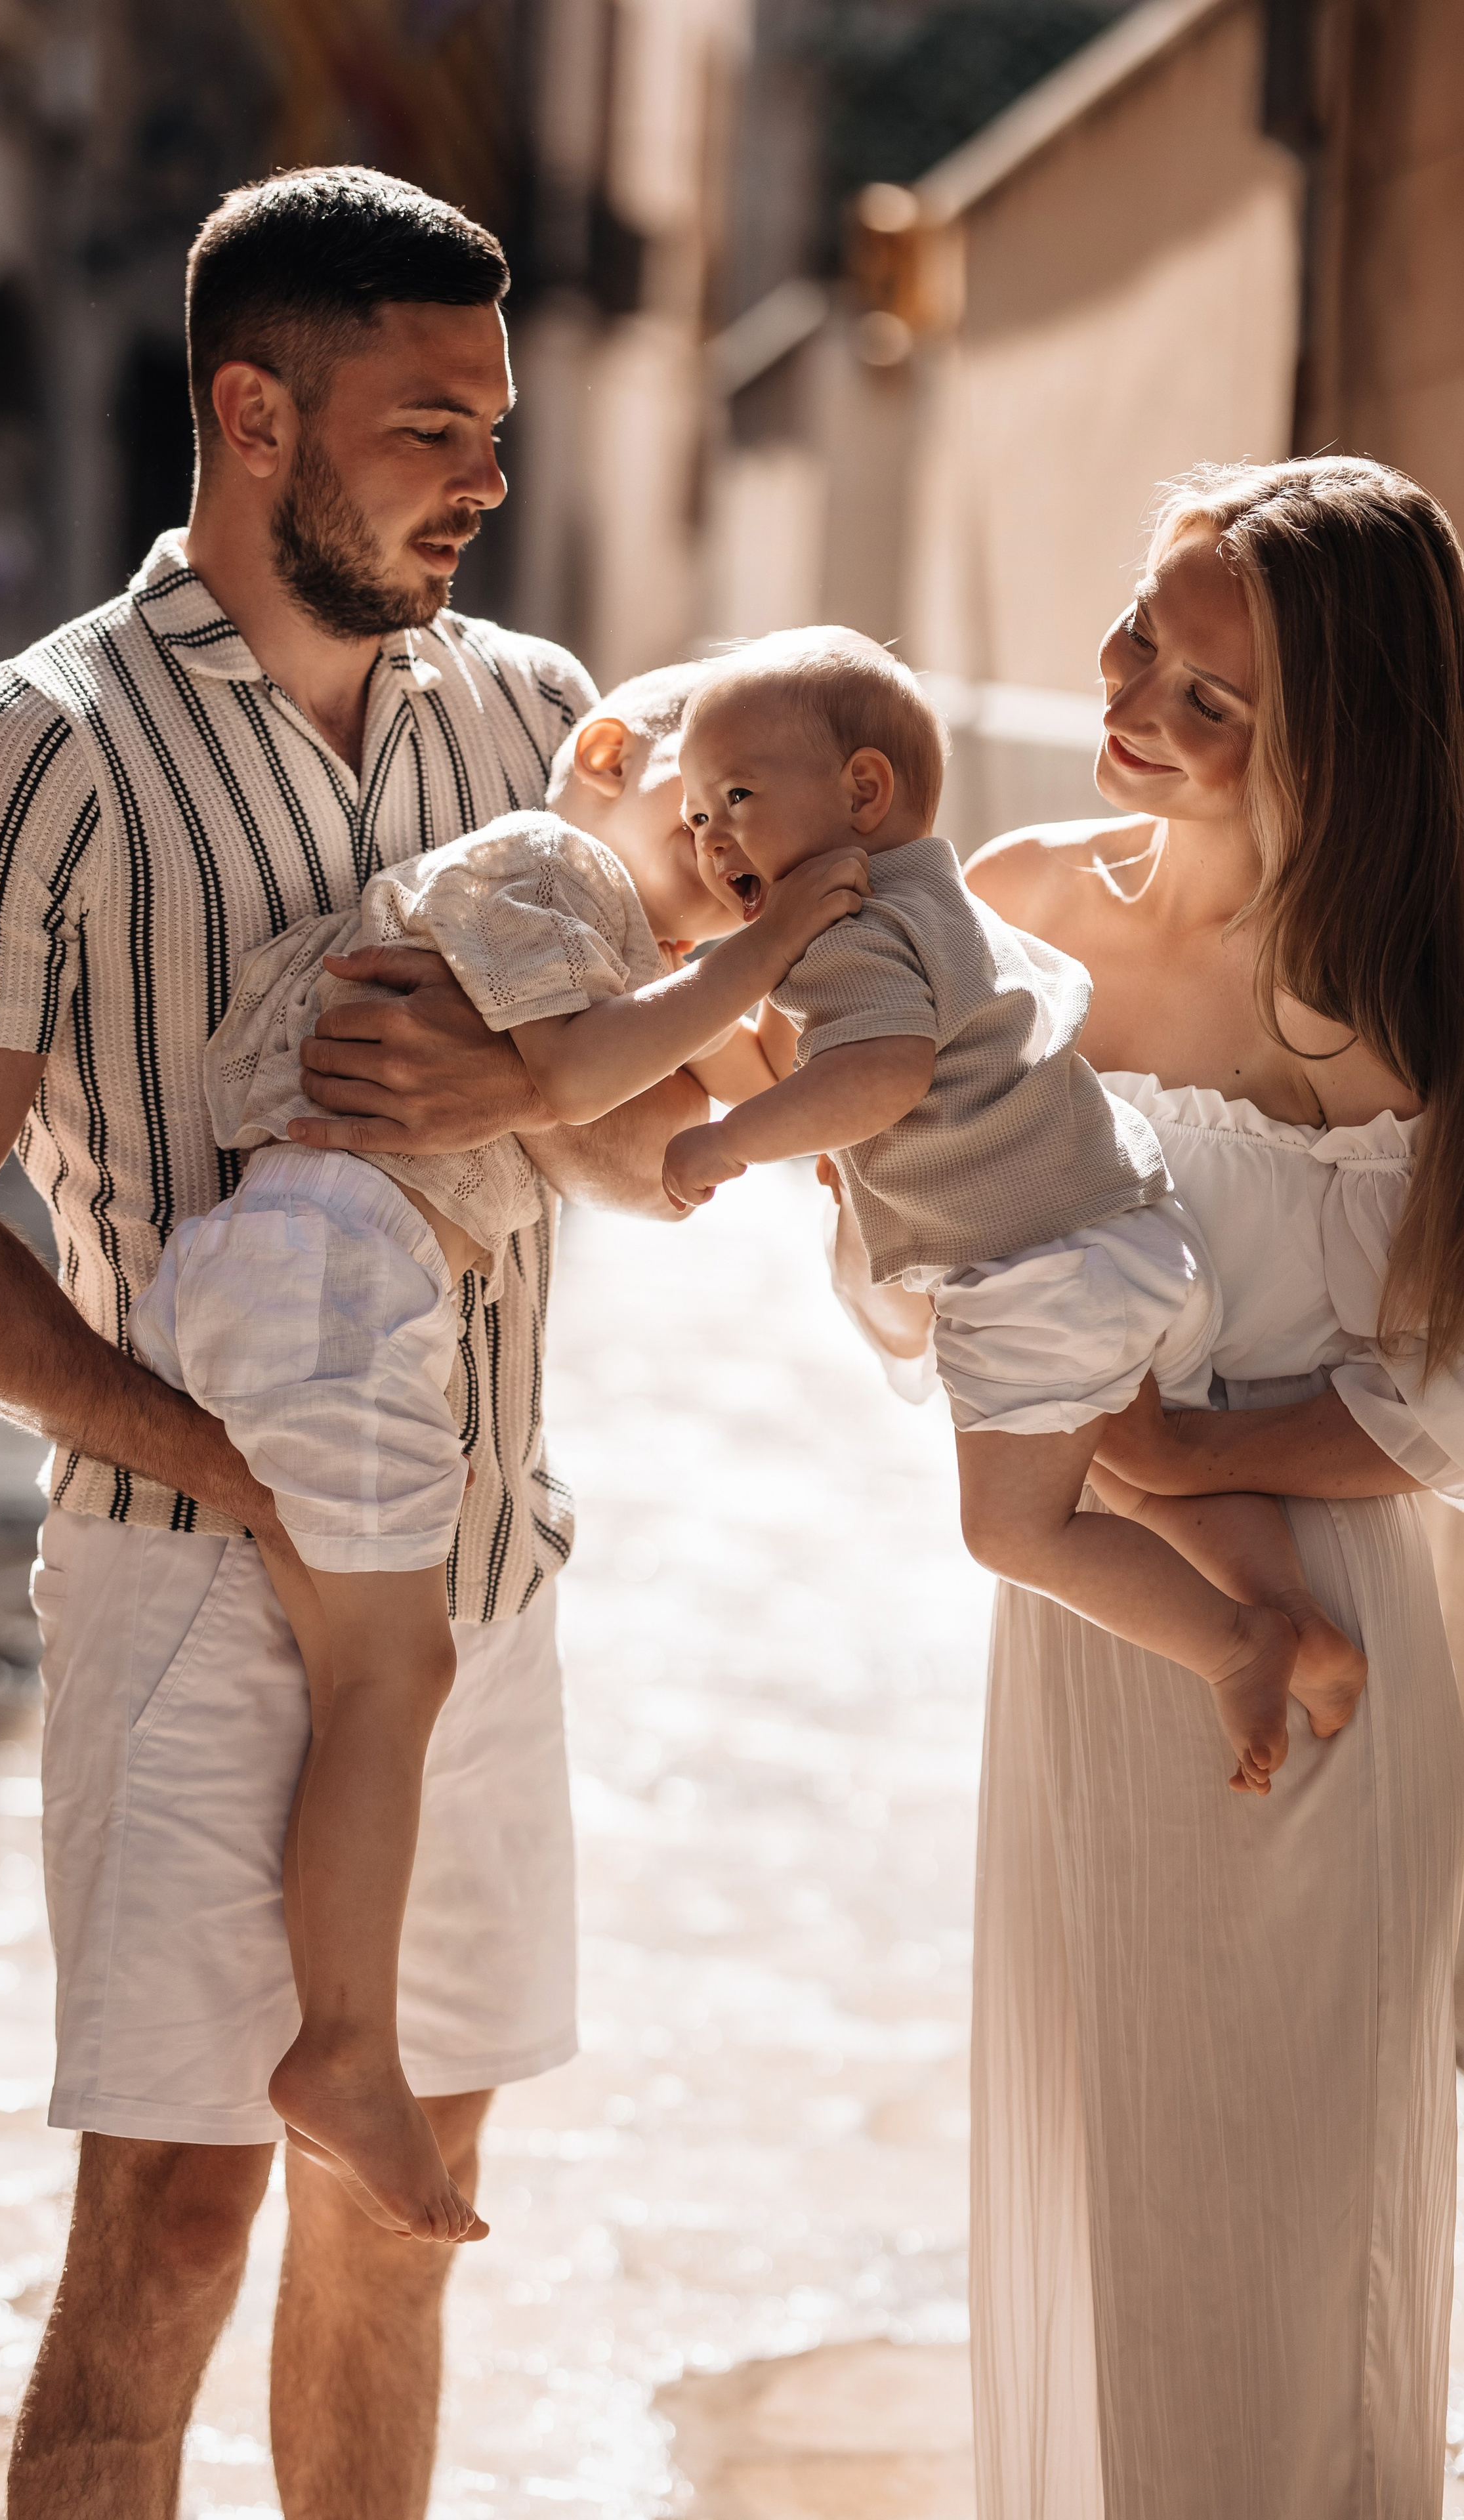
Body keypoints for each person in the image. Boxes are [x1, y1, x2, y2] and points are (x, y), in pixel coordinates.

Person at [0, 165, 709, 2519]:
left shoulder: (543, 724)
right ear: (253, 413)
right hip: (187, 1586)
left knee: (394, 2237)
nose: (490, 479)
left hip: (481, 1582)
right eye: (432, 427)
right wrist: (218, 1458)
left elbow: (644, 1149)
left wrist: (529, 1086)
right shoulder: (29, 753)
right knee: (171, 2231)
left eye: (494, 423)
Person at [836, 457, 1464, 2515]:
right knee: (1104, 2169)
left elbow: (1451, 1390)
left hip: (1338, 1639)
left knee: (1294, 2226)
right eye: (1143, 641)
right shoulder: (1014, 905)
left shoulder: (1411, 992)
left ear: (1346, 735)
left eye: (1218, 698)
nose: (1138, 705)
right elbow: (895, 1282)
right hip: (1088, 1629)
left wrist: (1187, 1442)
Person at [129, 667, 861, 2232]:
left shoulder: (609, 932)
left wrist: (794, 1022)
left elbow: (661, 1148)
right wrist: (770, 944)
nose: (731, 874)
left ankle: (345, 2042)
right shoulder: (544, 867)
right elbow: (588, 1080)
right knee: (393, 1677)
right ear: (608, 755)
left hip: (330, 1283)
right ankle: (340, 2051)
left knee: (372, 1674)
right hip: (330, 1267)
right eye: (714, 819)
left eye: (761, 860)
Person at [662, 627, 1364, 1792]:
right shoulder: (935, 894)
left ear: (862, 791)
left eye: (734, 795)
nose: (709, 833)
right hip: (1138, 1236)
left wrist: (727, 1141)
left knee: (1011, 1531)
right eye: (692, 814)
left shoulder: (842, 937)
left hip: (1039, 1274)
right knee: (1141, 1470)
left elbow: (871, 1078)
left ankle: (1244, 1644)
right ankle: (1299, 1616)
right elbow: (822, 1061)